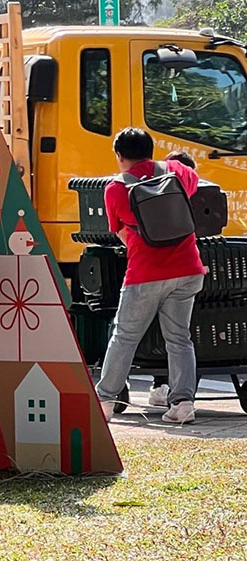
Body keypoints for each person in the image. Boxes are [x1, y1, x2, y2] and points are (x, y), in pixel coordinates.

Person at [96, 128, 206, 425]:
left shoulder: (116, 188)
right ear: (150, 149)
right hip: (189, 269)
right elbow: (192, 189)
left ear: (119, 156)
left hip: (145, 273)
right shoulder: (176, 170)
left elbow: (120, 232)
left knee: (124, 337)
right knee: (180, 338)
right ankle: (183, 403)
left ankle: (105, 400)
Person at [145, 151, 197, 409]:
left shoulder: (157, 200)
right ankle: (183, 399)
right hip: (192, 276)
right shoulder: (200, 200)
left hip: (157, 274)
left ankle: (158, 386)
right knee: (179, 337)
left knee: (128, 333)